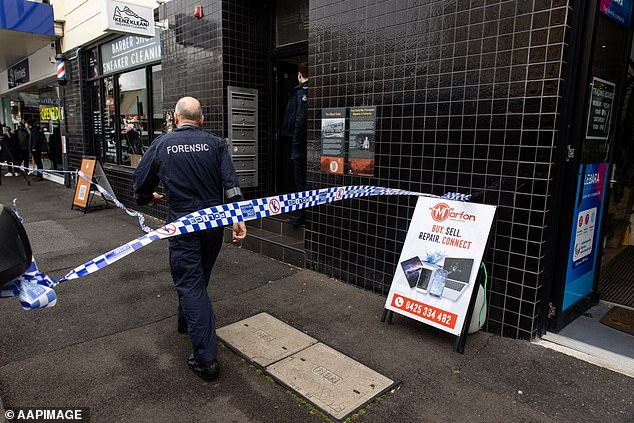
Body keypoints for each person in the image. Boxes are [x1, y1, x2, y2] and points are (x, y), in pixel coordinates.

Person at [133, 97, 247, 381]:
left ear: (175, 118)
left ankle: (206, 359)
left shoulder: (162, 145)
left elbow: (139, 184)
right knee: (197, 279)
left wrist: (148, 198)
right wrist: (237, 218)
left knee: (191, 284)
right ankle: (187, 323)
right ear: (202, 119)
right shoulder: (216, 144)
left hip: (183, 226)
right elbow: (231, 185)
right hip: (213, 225)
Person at [282, 62, 309, 225]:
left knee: (300, 180)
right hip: (312, 143)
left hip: (299, 143)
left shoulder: (299, 92)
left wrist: (295, 143)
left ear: (299, 75)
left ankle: (301, 215)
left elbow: (299, 119)